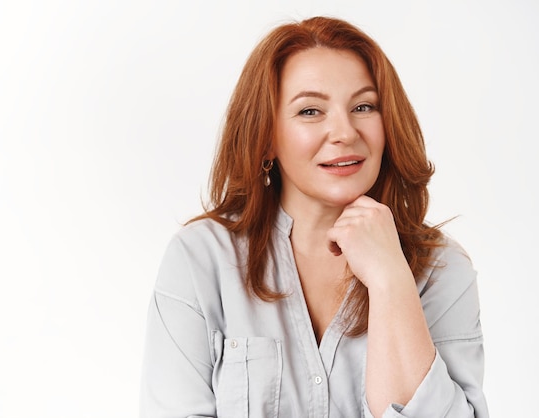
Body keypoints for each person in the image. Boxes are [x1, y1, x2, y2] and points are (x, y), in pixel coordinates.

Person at [140, 16, 489, 418]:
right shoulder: (199, 259)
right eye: (310, 111)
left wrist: (392, 282)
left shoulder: (443, 269)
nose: (344, 131)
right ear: (266, 136)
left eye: (363, 106)